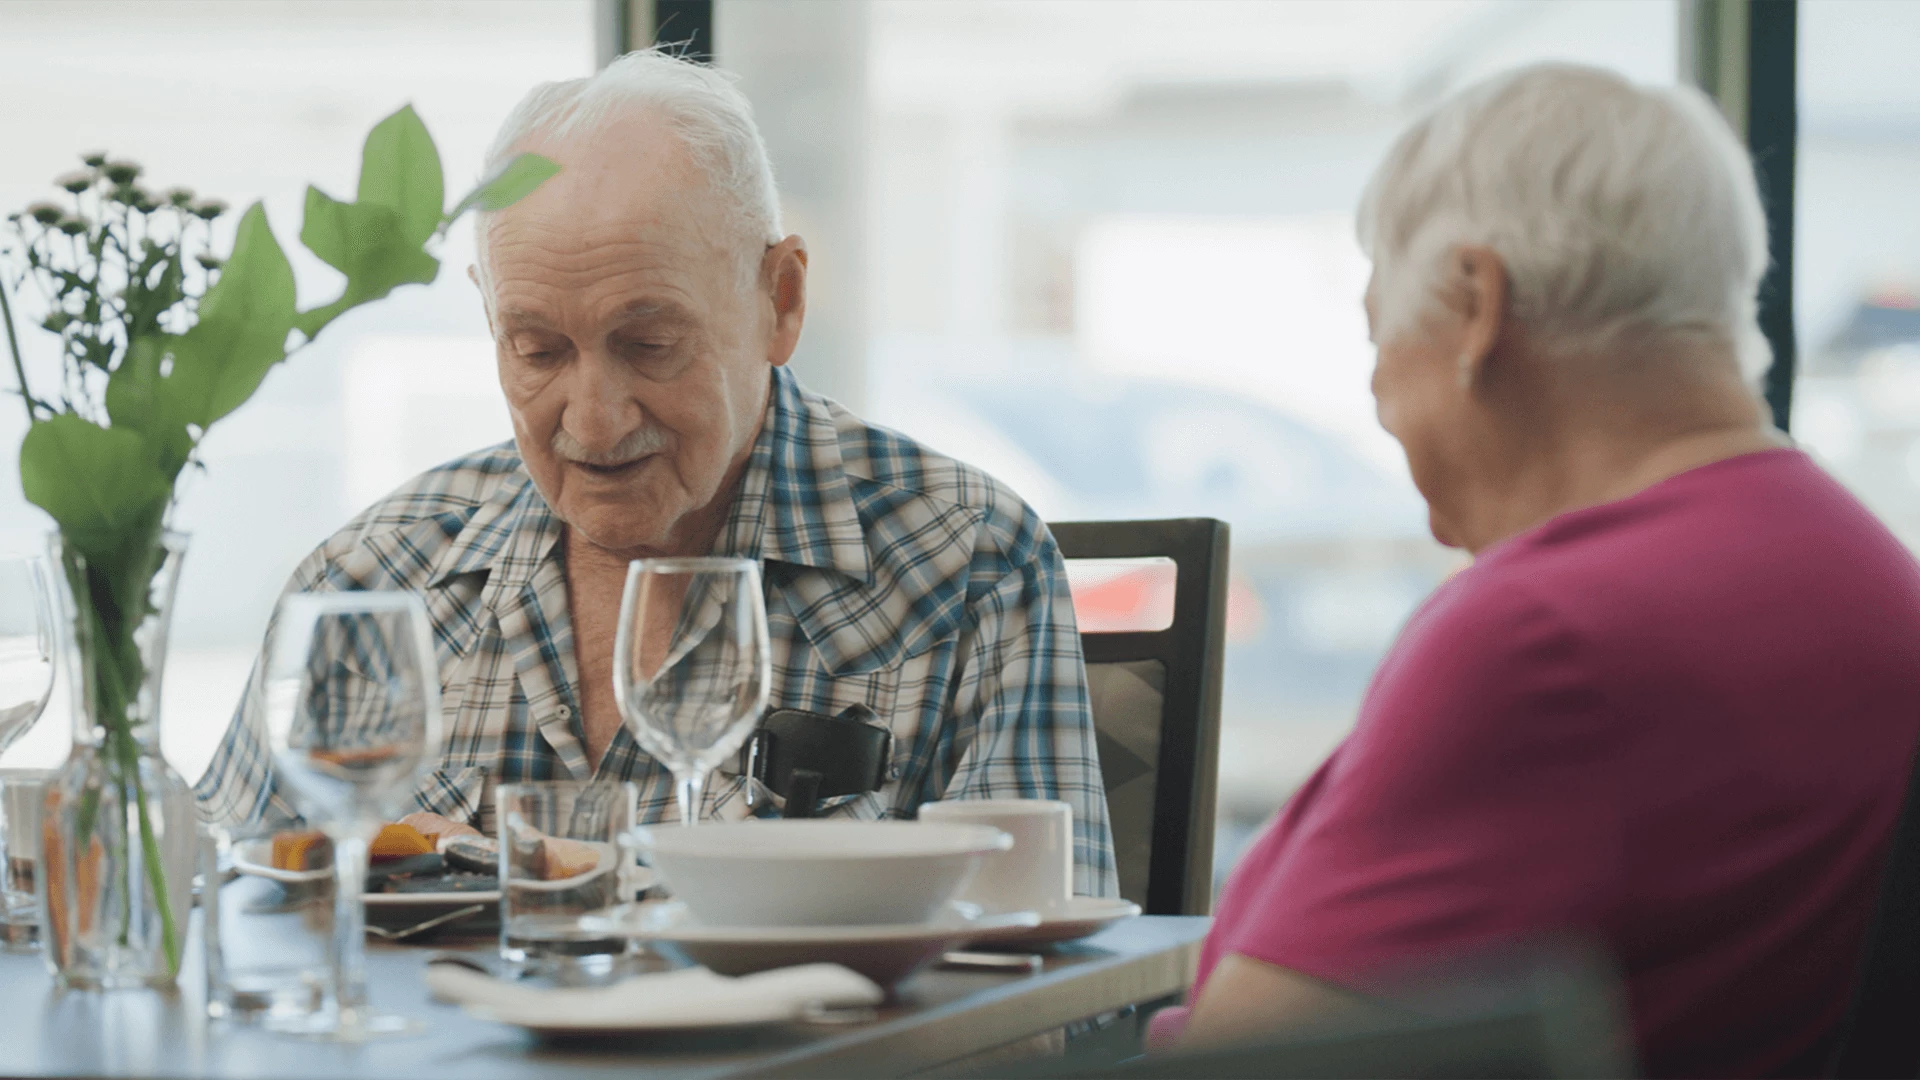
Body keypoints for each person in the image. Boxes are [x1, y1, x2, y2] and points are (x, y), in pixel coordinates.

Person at [196, 48, 1117, 898]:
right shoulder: (370, 579)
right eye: (538, 350)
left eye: (649, 344)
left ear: (781, 299)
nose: (594, 419)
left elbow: (1043, 992)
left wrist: (462, 856)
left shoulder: (967, 564)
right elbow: (216, 909)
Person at [1157, 63, 1920, 1076]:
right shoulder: (1869, 575)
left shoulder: (1549, 636)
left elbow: (1236, 1062)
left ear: (1478, 304)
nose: (1380, 392)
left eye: (1379, 336)